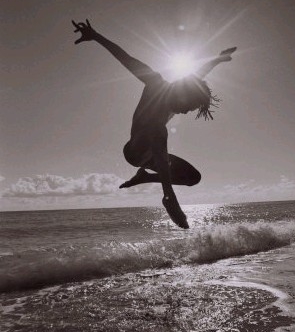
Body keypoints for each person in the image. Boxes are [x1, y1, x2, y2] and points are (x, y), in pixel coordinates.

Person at [72, 19, 236, 229]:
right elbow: (127, 59)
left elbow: (199, 75)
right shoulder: (155, 83)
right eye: (189, 106)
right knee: (158, 130)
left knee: (193, 177)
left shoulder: (183, 92)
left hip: (154, 155)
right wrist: (96, 36)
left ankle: (146, 178)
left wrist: (218, 59)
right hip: (135, 150)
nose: (186, 111)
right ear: (183, 92)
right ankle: (169, 196)